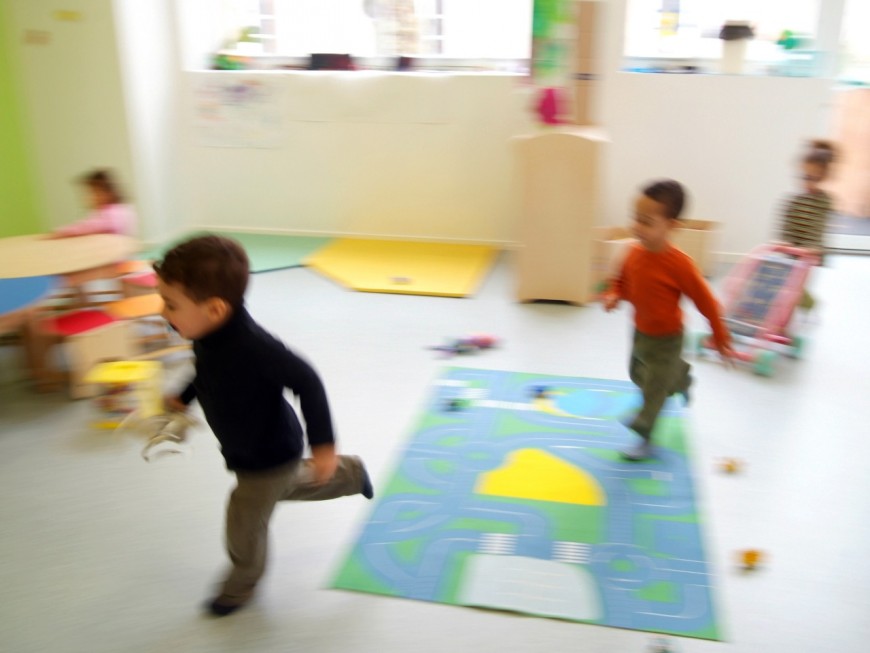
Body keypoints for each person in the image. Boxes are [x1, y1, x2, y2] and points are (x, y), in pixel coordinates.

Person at [154, 235, 373, 617]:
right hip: (250, 448)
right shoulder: (207, 333)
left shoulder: (254, 347)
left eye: (171, 305)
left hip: (267, 451)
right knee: (284, 487)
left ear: (215, 309)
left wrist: (323, 444)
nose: (162, 312)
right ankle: (350, 474)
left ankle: (241, 584)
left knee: (244, 517)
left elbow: (307, 379)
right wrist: (184, 396)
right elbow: (207, 370)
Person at [602, 180, 734, 461]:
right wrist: (614, 294)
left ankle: (644, 434)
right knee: (638, 375)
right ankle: (682, 377)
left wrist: (720, 336)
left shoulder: (679, 264)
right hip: (640, 331)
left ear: (672, 226)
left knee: (653, 391)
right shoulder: (633, 252)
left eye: (647, 222)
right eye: (635, 218)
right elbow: (620, 279)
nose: (637, 227)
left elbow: (706, 302)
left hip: (668, 339)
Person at [778, 140, 836, 309]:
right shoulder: (793, 201)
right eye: (805, 177)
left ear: (823, 177)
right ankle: (792, 308)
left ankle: (807, 306)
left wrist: (813, 247)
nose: (809, 183)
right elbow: (786, 224)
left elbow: (819, 226)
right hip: (791, 250)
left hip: (810, 252)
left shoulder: (824, 201)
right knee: (785, 283)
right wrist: (784, 241)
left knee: (796, 286)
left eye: (815, 179)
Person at [51, 169, 137, 238]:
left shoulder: (114, 212)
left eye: (93, 193)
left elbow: (89, 227)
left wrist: (62, 232)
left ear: (108, 193)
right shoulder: (111, 211)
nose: (89, 197)